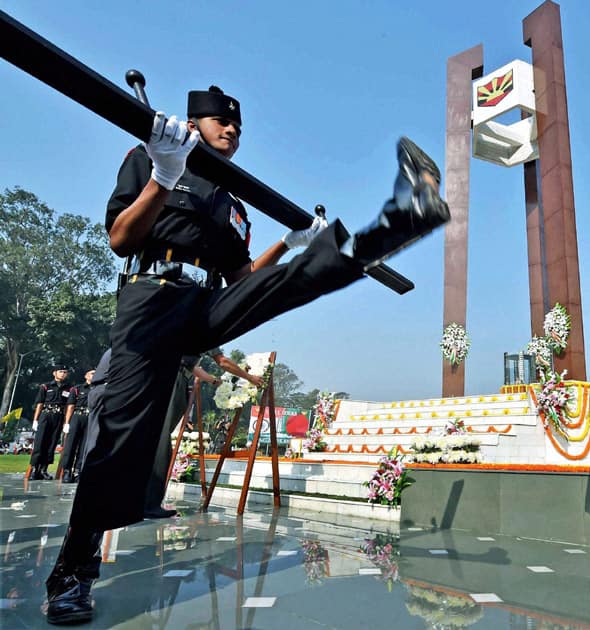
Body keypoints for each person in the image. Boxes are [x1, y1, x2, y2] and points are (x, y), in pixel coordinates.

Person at [43, 85, 448, 625]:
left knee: (288, 283)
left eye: (237, 126)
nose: (231, 130)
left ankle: (401, 217)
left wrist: (290, 246)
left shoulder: (231, 198)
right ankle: (73, 573)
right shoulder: (151, 154)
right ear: (194, 122)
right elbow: (121, 237)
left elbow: (242, 282)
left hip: (203, 303)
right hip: (150, 300)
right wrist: (164, 175)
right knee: (118, 434)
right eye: (219, 122)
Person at [143, 349, 263, 519]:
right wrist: (250, 378)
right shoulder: (203, 329)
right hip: (172, 378)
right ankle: (150, 504)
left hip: (163, 375)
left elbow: (191, 367)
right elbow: (223, 362)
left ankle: (141, 499)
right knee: (161, 442)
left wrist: (214, 381)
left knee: (155, 438)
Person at [29, 364, 71, 481]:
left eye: (65, 372)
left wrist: (66, 422)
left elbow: (68, 405)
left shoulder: (69, 388)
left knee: (52, 443)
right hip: (46, 415)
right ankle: (34, 469)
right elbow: (40, 404)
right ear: (55, 373)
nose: (63, 374)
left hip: (58, 416)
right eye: (60, 371)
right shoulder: (46, 387)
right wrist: (35, 420)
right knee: (40, 442)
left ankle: (44, 469)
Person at [58, 369, 96, 483]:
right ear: (86, 375)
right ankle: (67, 471)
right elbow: (70, 406)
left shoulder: (97, 389)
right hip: (77, 417)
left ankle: (78, 471)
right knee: (70, 445)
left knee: (84, 446)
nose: (94, 375)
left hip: (90, 418)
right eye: (92, 373)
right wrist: (67, 423)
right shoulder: (77, 389)